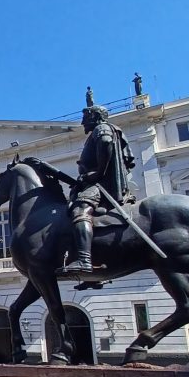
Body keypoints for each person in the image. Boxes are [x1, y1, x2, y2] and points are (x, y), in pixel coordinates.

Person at [55, 104, 136, 278]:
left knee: (80, 210)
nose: (83, 123)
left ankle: (84, 259)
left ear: (94, 117)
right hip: (99, 182)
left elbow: (106, 143)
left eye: (85, 119)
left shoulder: (102, 129)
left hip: (103, 184)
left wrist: (97, 173)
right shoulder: (103, 130)